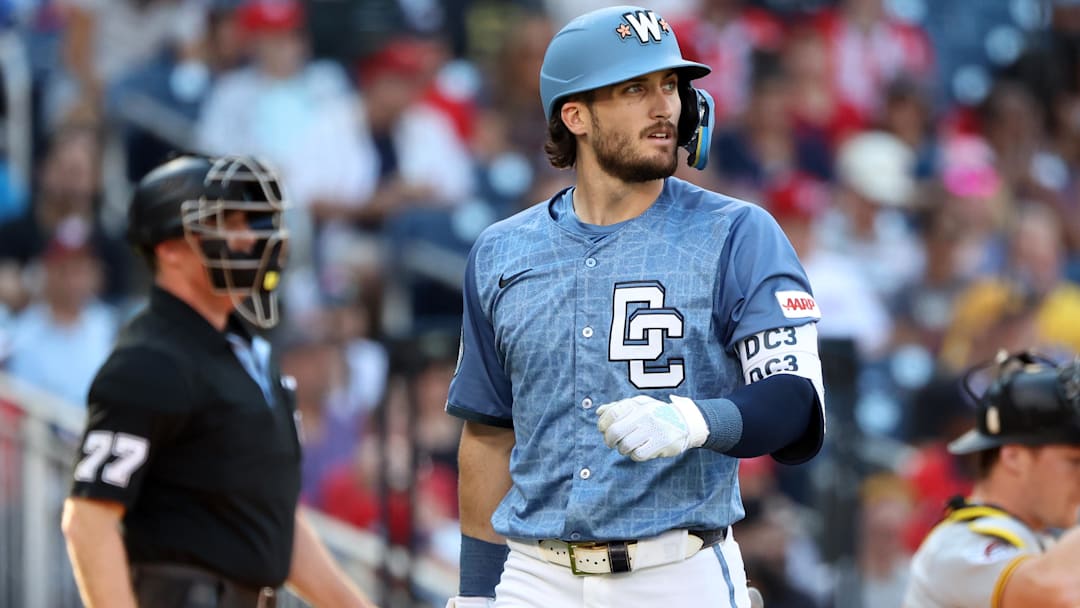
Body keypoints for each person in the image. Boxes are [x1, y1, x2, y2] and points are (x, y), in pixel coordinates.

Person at [444, 6, 826, 608]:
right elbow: (488, 434)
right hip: (533, 575)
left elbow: (795, 401)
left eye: (671, 86)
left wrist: (694, 421)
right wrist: (474, 592)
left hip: (677, 568)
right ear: (576, 116)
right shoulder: (501, 249)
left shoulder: (739, 232)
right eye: (635, 89)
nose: (665, 107)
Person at [60, 155, 378, 608]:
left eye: (249, 222)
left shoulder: (249, 353)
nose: (249, 238)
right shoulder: (148, 361)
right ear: (169, 248)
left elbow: (270, 523)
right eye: (226, 224)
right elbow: (89, 520)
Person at [903, 350, 1080, 608]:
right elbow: (1056, 592)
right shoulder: (959, 544)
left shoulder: (1042, 541)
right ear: (1013, 457)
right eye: (1073, 462)